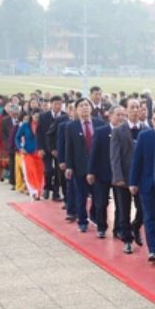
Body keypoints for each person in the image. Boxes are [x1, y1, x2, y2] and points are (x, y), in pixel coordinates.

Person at [129, 108, 155, 261]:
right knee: (150, 216)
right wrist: (133, 181)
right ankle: (153, 249)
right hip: (148, 184)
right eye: (154, 120)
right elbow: (137, 160)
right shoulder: (145, 136)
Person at [64, 99, 102, 233]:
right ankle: (82, 221)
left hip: (97, 166)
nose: (84, 108)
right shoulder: (71, 126)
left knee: (98, 195)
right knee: (81, 195)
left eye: (87, 105)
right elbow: (69, 147)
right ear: (76, 110)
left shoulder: (99, 123)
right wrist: (69, 166)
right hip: (79, 166)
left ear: (91, 108)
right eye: (81, 106)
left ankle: (95, 216)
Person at [110, 104, 139, 254]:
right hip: (123, 178)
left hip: (141, 178)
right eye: (132, 107)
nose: (135, 110)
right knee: (124, 210)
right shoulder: (118, 131)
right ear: (127, 111)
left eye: (137, 107)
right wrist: (118, 177)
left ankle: (135, 227)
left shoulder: (146, 130)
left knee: (143, 210)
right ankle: (127, 240)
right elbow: (114, 156)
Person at [88, 107, 120, 239]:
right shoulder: (101, 132)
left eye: (123, 115)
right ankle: (101, 226)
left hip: (119, 174)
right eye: (118, 114)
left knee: (121, 204)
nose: (121, 117)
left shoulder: (125, 132)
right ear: (110, 116)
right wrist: (91, 171)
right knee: (101, 202)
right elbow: (93, 153)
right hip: (102, 173)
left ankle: (118, 228)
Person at [37, 95, 67, 201]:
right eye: (55, 104)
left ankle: (56, 193)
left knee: (59, 172)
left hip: (59, 149)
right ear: (51, 104)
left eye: (60, 104)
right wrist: (40, 148)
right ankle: (47, 186)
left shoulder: (65, 116)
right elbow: (39, 133)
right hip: (46, 148)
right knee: (48, 170)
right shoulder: (44, 116)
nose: (58, 106)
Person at [14, 110, 45, 200]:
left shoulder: (43, 125)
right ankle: (33, 191)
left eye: (38, 117)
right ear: (31, 116)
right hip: (28, 153)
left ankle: (40, 191)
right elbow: (17, 137)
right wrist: (20, 147)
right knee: (30, 172)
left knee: (40, 173)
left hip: (40, 153)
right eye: (35, 117)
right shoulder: (25, 125)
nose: (37, 119)